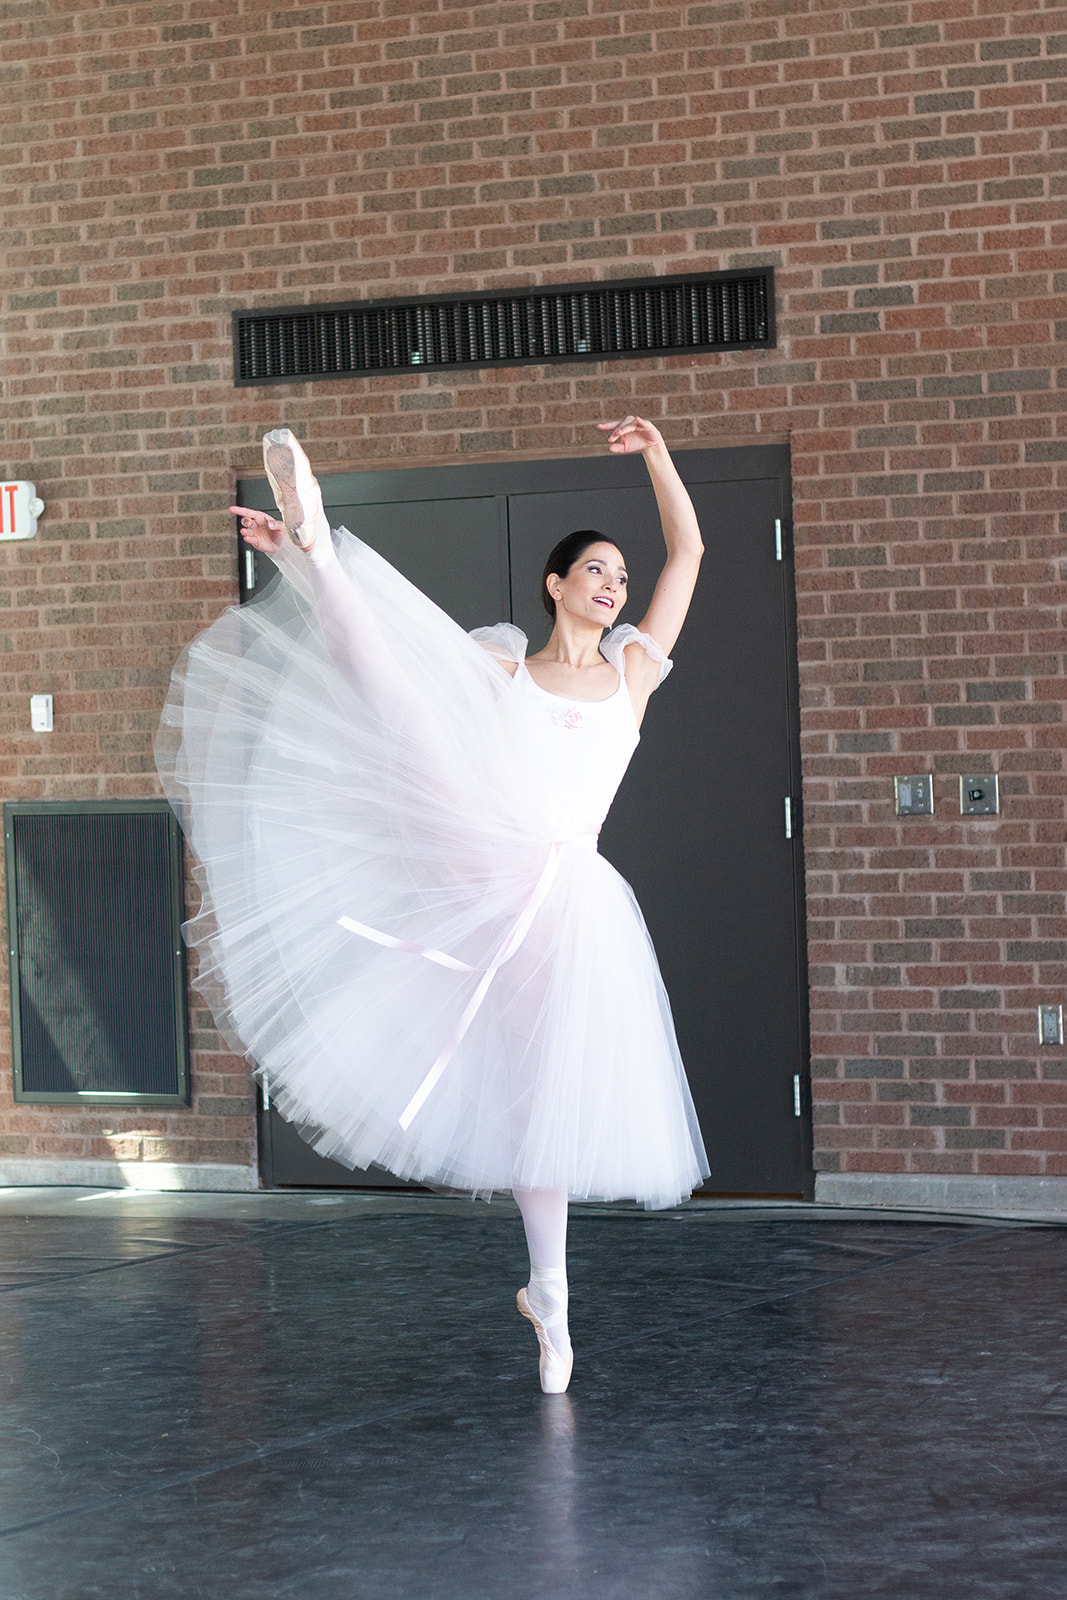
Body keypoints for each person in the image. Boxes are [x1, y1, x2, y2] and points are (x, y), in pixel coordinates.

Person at [156, 416, 710, 1395]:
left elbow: (691, 552)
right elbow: (390, 675)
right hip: (483, 854)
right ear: (554, 584)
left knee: (547, 1103)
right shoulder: (505, 666)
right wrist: (301, 572)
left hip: (570, 903)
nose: (612, 584)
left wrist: (657, 453)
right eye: (594, 569)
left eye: (619, 577)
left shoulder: (633, 675)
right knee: (408, 707)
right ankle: (320, 553)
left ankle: (550, 1297)